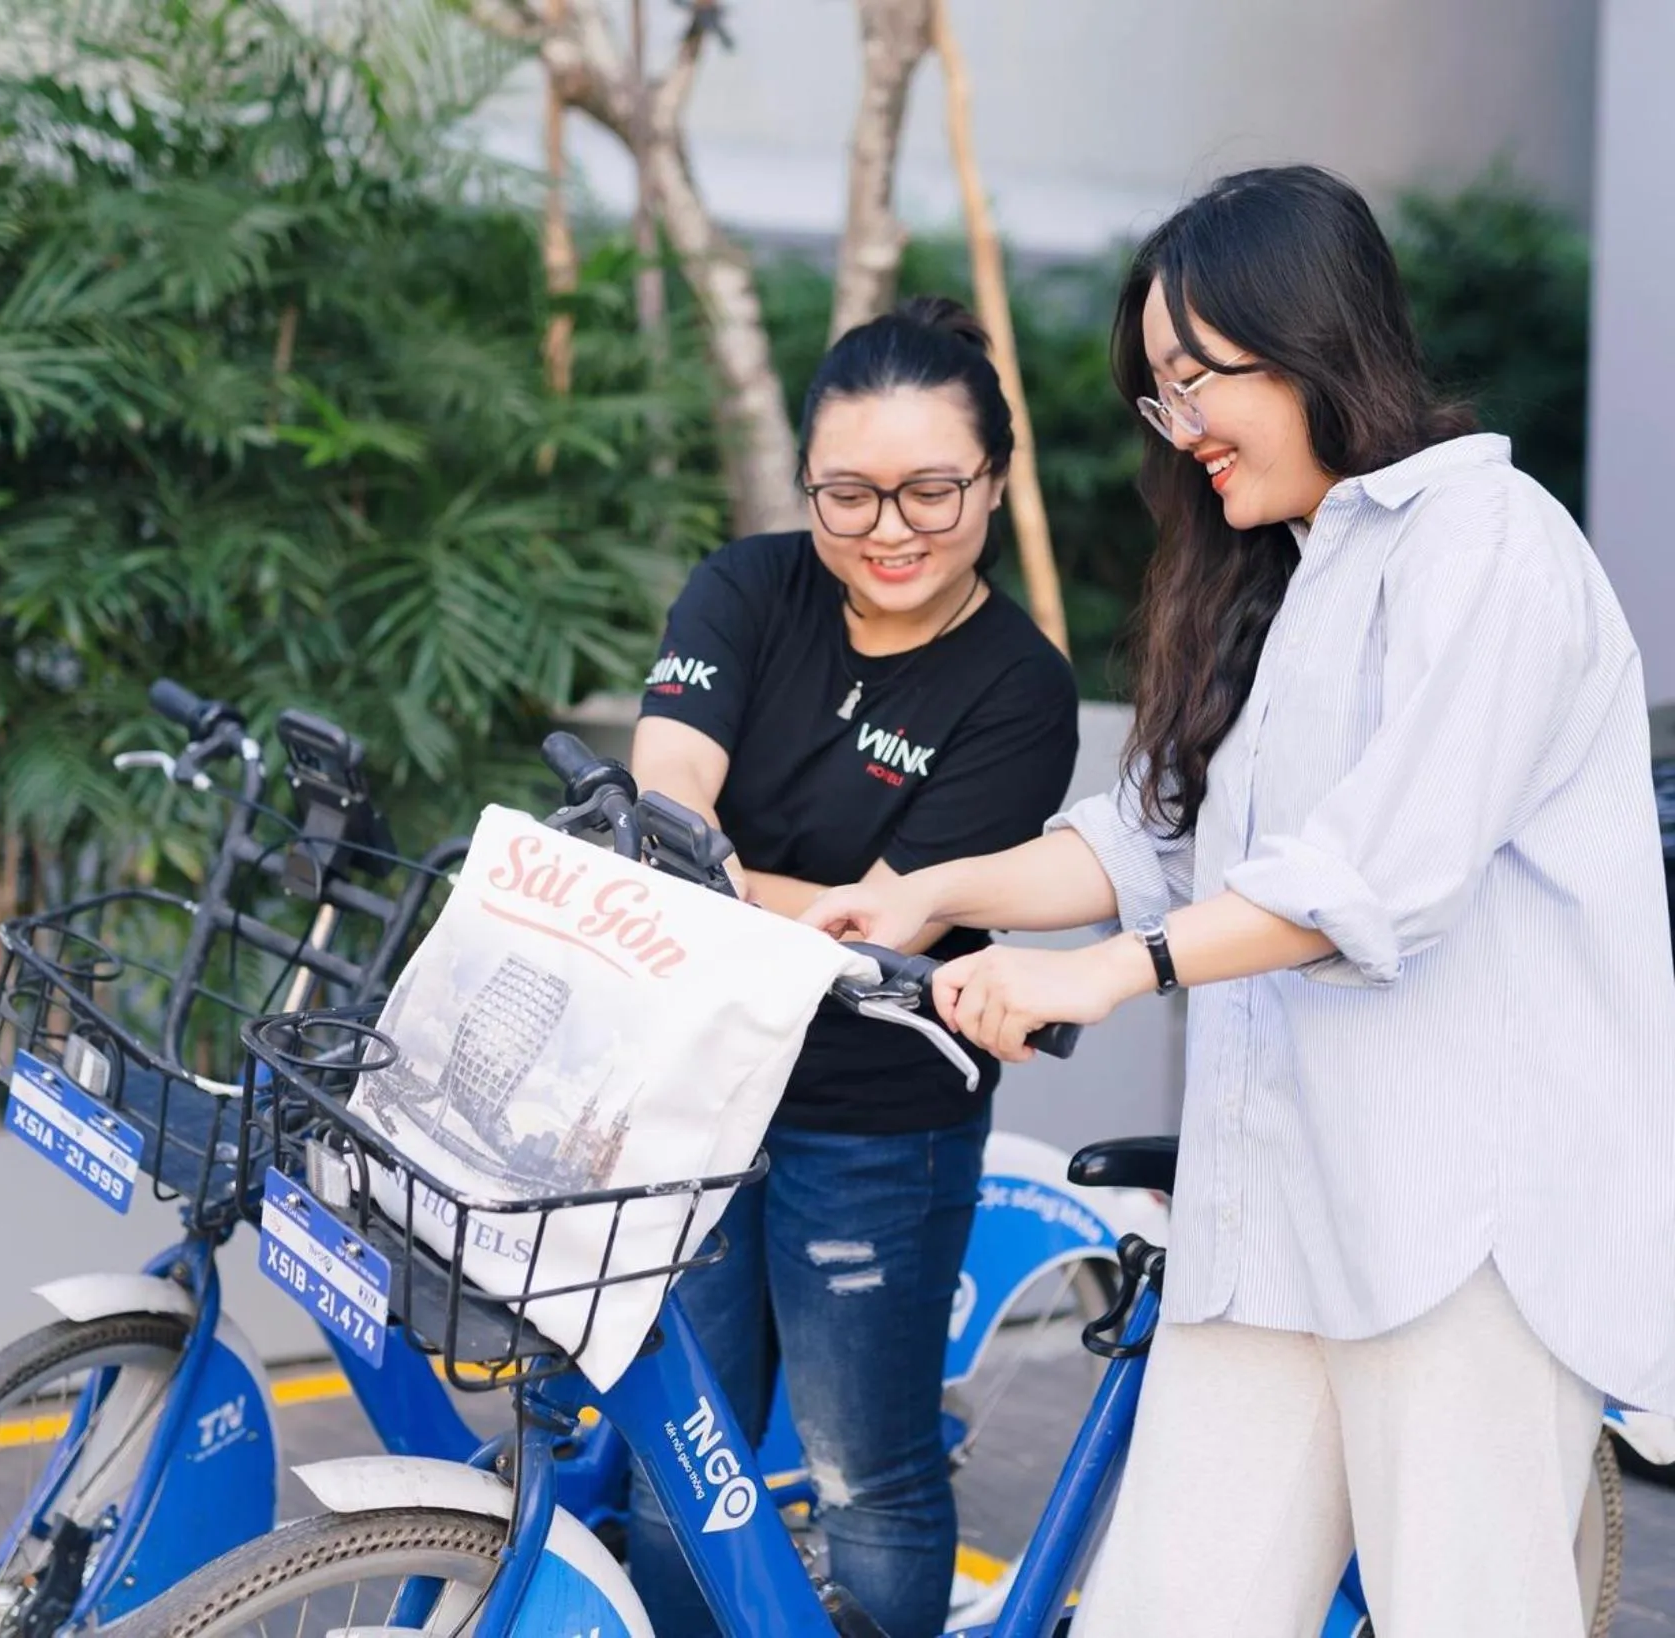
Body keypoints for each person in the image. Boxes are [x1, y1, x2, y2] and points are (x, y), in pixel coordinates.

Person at [806, 165, 1675, 1637]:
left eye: (1199, 376)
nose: (1182, 425)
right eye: (1160, 392)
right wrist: (928, 889)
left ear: (1318, 338)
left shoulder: (1489, 546)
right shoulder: (1293, 578)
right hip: (1273, 1221)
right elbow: (1150, 840)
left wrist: (1107, 973)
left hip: (1456, 1230)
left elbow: (1371, 880)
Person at [626, 295, 1079, 1638]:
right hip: (703, 1088)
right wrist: (763, 887)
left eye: (932, 489)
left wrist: (735, 881)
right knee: (678, 1460)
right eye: (852, 493)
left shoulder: (1018, 686)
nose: (890, 529)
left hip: (877, 1122)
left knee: (863, 1477)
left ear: (994, 479)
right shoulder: (748, 587)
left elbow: (886, 929)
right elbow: (666, 803)